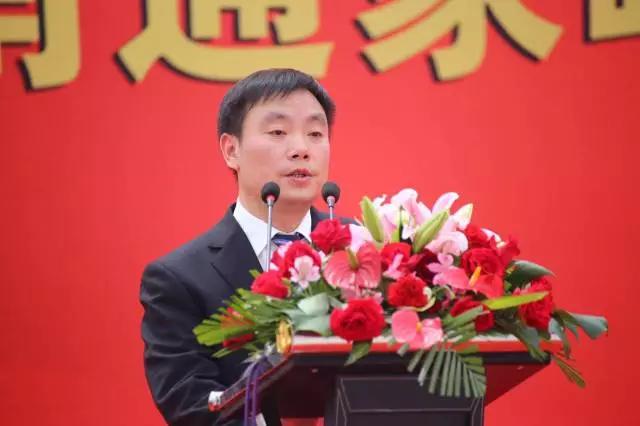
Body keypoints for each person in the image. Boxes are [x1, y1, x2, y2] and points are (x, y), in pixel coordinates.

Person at [140, 68, 344, 425]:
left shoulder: (365, 251)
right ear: (231, 150)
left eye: (315, 134)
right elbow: (191, 405)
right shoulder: (179, 279)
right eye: (278, 132)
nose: (301, 149)